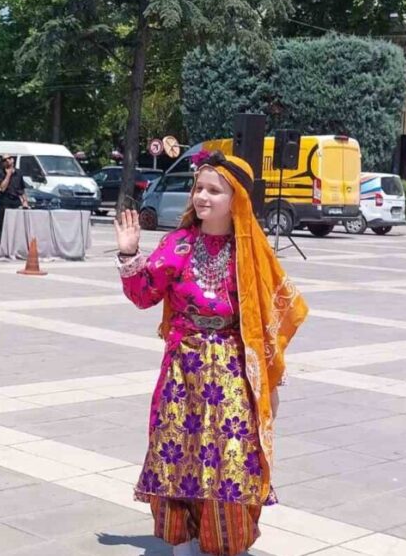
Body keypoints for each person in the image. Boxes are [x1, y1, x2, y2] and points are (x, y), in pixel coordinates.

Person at [113, 150, 308, 556]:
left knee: (232, 459)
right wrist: (129, 255)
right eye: (198, 188)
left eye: (213, 190)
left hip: (234, 371)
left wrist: (271, 373)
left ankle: (223, 541)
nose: (202, 197)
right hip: (183, 372)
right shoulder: (178, 245)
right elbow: (144, 294)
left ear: (236, 197)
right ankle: (182, 543)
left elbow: (282, 310)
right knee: (178, 453)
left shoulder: (251, 252)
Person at [0, 154, 29, 243]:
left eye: (9, 158)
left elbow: (21, 189)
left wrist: (25, 201)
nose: (7, 161)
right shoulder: (0, 173)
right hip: (5, 201)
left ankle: (15, 245)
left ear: (13, 160)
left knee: (17, 227)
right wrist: (8, 175)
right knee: (4, 226)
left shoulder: (19, 173)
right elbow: (2, 188)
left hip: (16, 201)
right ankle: (3, 246)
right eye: (4, 160)